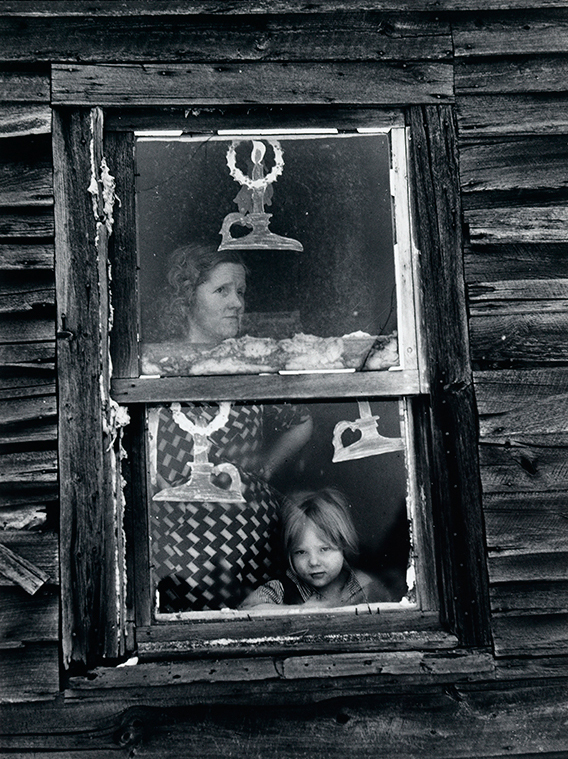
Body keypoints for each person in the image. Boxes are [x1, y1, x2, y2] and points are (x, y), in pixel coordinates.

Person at [149, 242, 313, 612]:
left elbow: (301, 423)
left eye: (240, 291)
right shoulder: (159, 364)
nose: (237, 303)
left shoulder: (250, 362)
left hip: (247, 535)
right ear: (188, 297)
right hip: (178, 535)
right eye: (221, 290)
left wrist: (266, 468)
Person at [240, 487, 394, 609]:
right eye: (301, 552)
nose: (313, 562)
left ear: (343, 545)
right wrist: (298, 611)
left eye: (324, 549)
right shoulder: (284, 587)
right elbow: (246, 609)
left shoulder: (366, 588)